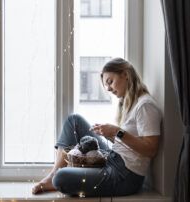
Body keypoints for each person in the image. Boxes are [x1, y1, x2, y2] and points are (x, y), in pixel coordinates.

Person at [32, 58, 162, 197]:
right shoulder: (132, 104)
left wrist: (116, 132)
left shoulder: (145, 105)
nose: (109, 89)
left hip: (125, 176)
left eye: (110, 81)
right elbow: (130, 145)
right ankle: (52, 176)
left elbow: (151, 149)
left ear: (125, 74)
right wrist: (112, 136)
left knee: (61, 178)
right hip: (114, 159)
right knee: (74, 121)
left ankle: (55, 178)